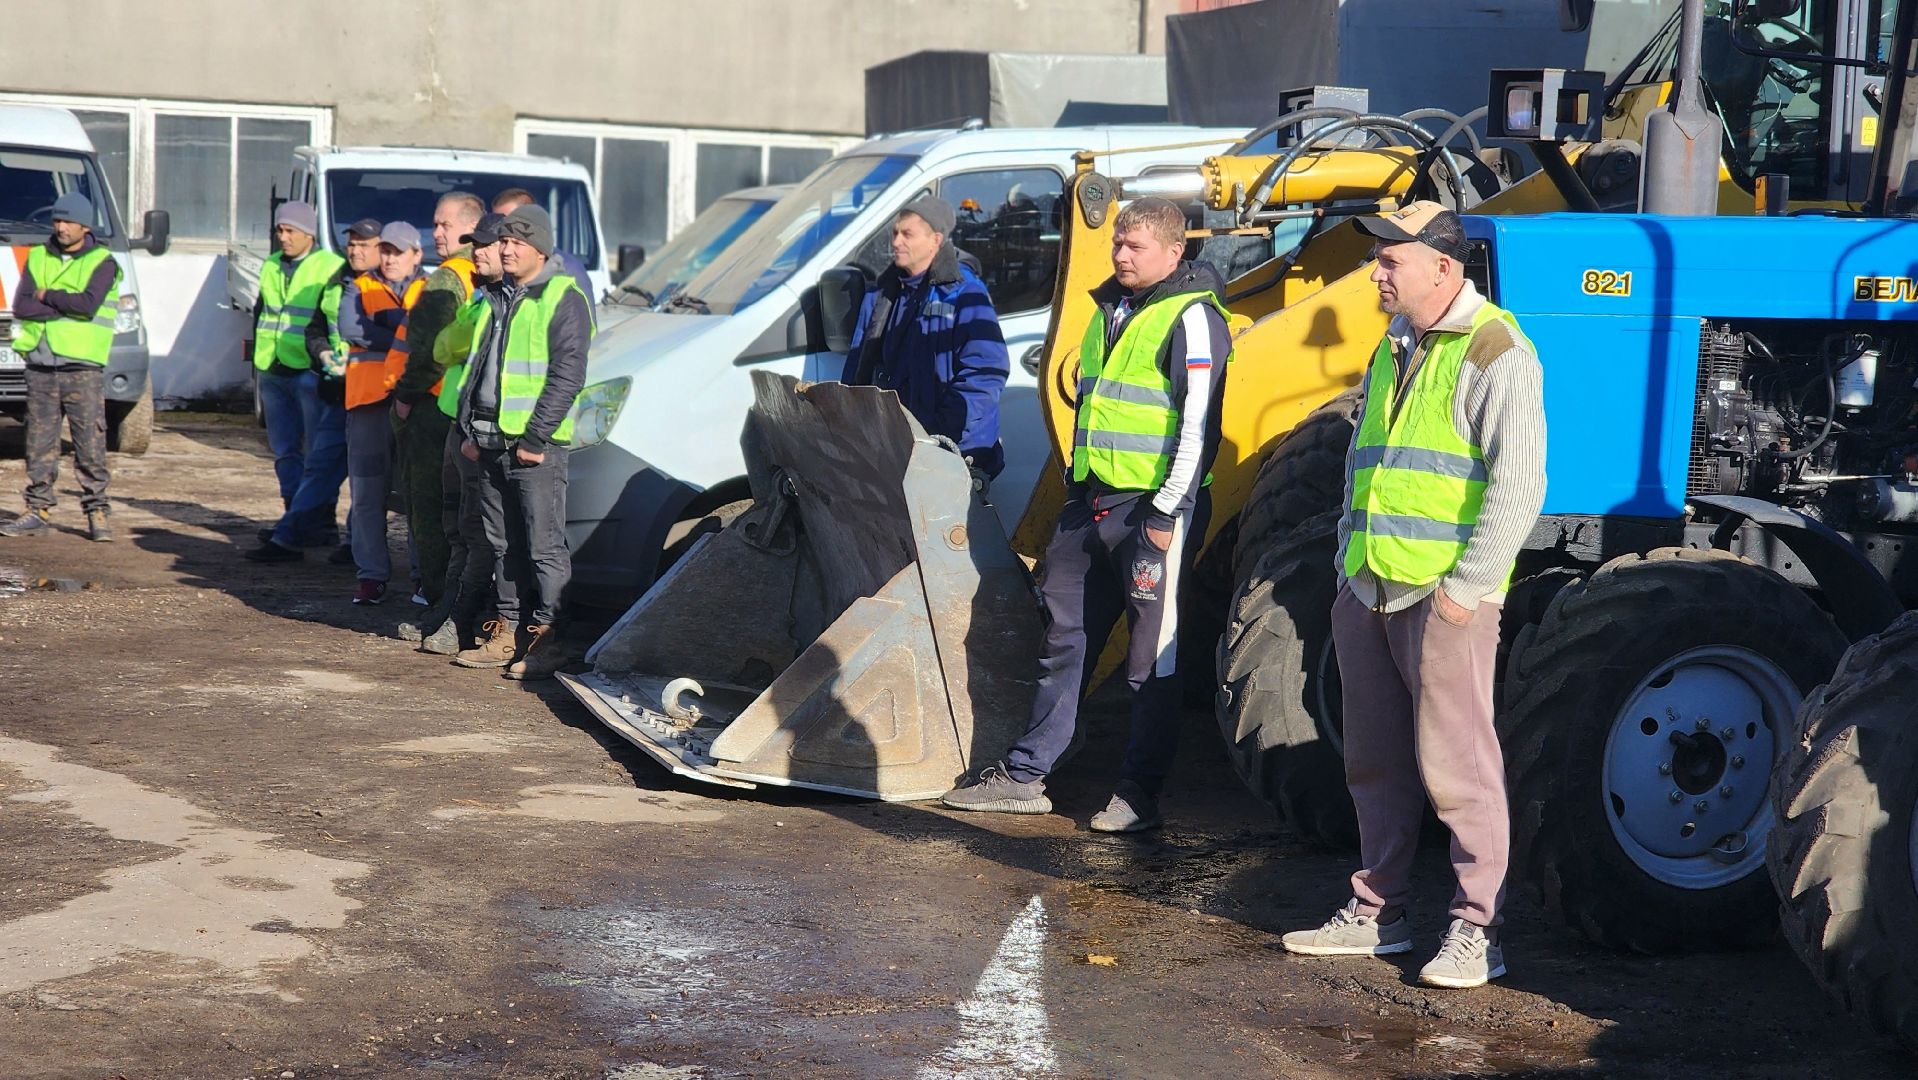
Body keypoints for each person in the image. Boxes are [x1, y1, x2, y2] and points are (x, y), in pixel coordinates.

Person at [1279, 201, 1545, 990]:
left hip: (1443, 596)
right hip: (1371, 585)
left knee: (1460, 770)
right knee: (1375, 764)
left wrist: (1466, 591)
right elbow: (1365, 464)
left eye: (1391, 259)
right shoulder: (1394, 345)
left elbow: (1520, 485)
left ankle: (1477, 930)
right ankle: (1379, 912)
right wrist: (1345, 567)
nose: (1376, 272)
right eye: (1379, 258)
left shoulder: (1497, 350)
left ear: (1443, 266)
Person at [941, 197, 1230, 832]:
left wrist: (1166, 511)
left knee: (1152, 657)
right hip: (1093, 503)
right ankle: (1026, 776)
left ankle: (1138, 794)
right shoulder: (1110, 311)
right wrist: (1076, 496)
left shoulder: (1194, 318)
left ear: (1174, 252)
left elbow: (1199, 425)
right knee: (1063, 636)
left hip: (1152, 511)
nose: (1121, 255)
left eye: (1135, 246)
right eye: (1118, 244)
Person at [450, 205, 591, 680]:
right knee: (502, 544)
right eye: (504, 241)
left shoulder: (562, 297)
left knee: (543, 547)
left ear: (541, 250)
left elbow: (567, 376)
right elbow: (478, 367)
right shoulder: (496, 296)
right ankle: (506, 631)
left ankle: (547, 640)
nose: (506, 250)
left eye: (517, 242)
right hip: (488, 441)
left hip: (534, 449)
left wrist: (534, 437)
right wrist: (469, 430)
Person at [840, 195, 1009, 484]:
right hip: (898, 449)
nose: (896, 242)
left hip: (952, 452)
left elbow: (986, 373)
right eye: (895, 233)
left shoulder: (964, 293)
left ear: (935, 240)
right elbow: (858, 366)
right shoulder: (882, 294)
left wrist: (940, 435)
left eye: (907, 234)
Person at [303, 221, 426, 603]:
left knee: (420, 497)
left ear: (416, 255)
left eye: (397, 252)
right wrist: (407, 333)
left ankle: (424, 576)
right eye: (385, 251)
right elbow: (353, 329)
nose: (389, 258)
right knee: (368, 495)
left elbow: (430, 335)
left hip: (417, 405)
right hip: (368, 404)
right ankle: (371, 576)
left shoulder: (431, 289)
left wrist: (386, 330)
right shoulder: (358, 287)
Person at [249, 217, 382, 563]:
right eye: (352, 244)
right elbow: (315, 329)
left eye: (364, 245)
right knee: (319, 467)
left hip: (374, 398)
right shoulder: (338, 281)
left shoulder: (388, 288)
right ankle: (290, 538)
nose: (355, 251)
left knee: (365, 478)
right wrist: (322, 353)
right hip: (339, 392)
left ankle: (352, 545)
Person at [413, 212, 509, 656]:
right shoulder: (481, 297)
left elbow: (455, 345)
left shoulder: (501, 302)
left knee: (476, 531)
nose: (477, 253)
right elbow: (444, 346)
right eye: (475, 244)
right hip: (458, 422)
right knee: (457, 527)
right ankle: (446, 612)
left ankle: (462, 619)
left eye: (485, 245)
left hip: (482, 432)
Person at [0, 193, 122, 541]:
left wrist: (47, 296)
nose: (61, 227)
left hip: (82, 366)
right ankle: (37, 509)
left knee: (89, 444)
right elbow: (22, 306)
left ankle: (97, 511)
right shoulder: (38, 256)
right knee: (39, 442)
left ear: (85, 226)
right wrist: (62, 303)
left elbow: (87, 305)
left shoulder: (103, 262)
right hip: (41, 364)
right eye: (57, 220)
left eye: (68, 221)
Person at [392, 192, 483, 642]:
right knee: (462, 517)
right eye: (436, 224)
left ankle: (437, 606)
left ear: (470, 228)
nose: (437, 233)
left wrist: (405, 397)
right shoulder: (483, 276)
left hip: (433, 409)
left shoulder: (448, 278)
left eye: (445, 225)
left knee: (429, 511)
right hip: (464, 410)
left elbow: (427, 351)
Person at [246, 202, 346, 545]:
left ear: (309, 234)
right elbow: (262, 311)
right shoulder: (271, 264)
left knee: (318, 454)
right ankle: (293, 515)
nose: (283, 237)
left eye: (290, 231)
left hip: (310, 371)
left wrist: (332, 366)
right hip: (273, 368)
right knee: (285, 450)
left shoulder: (329, 266)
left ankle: (321, 522)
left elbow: (331, 321)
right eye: (280, 230)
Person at [489, 188, 597, 311]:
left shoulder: (568, 269)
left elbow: (581, 318)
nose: (499, 227)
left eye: (507, 220)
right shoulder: (501, 263)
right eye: (495, 221)